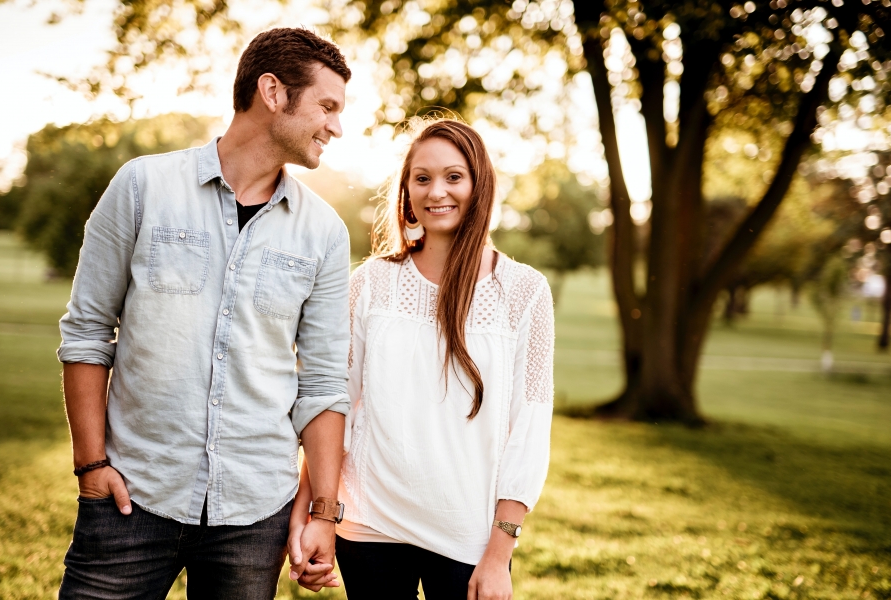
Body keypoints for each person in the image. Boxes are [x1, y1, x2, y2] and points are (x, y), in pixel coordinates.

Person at [56, 28, 351, 599]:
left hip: (254, 512)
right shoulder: (143, 186)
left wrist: (324, 513)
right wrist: (91, 466)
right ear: (272, 91)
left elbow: (323, 383)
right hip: (131, 498)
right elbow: (88, 332)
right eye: (327, 106)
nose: (336, 126)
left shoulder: (325, 234)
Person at [290, 119, 555, 599]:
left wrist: (498, 555)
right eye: (422, 177)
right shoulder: (370, 283)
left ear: (479, 185)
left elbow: (530, 430)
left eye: (454, 176)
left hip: (467, 537)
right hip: (369, 525)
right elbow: (335, 406)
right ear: (407, 190)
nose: (437, 191)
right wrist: (316, 515)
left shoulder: (524, 291)